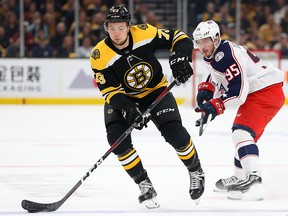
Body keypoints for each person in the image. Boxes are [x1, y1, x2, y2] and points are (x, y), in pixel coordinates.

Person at [90, 6, 205, 208]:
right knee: (116, 140)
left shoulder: (145, 32)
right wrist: (128, 108)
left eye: (120, 27)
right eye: (112, 28)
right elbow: (110, 92)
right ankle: (144, 184)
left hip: (155, 90)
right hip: (124, 97)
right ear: (106, 28)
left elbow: (179, 38)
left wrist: (180, 58)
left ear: (129, 26)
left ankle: (196, 170)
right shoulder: (100, 55)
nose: (116, 33)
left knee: (175, 134)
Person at [192, 20, 285, 201]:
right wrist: (208, 89)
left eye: (205, 41)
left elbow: (238, 92)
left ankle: (254, 180)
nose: (202, 46)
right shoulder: (217, 52)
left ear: (216, 38)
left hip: (264, 91)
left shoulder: (227, 54)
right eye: (199, 42)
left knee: (241, 133)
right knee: (243, 136)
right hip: (262, 91)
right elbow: (219, 74)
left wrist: (215, 105)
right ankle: (241, 177)